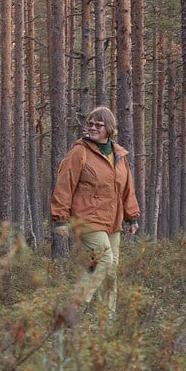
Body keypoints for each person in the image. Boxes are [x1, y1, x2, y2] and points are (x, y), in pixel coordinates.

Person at [48, 105, 141, 321]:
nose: (92, 128)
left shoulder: (119, 155)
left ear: (109, 128)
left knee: (110, 273)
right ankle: (72, 309)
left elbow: (127, 188)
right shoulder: (79, 152)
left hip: (113, 221)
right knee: (104, 261)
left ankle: (105, 324)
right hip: (87, 218)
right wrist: (60, 219)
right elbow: (64, 185)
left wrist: (132, 216)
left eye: (98, 125)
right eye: (90, 124)